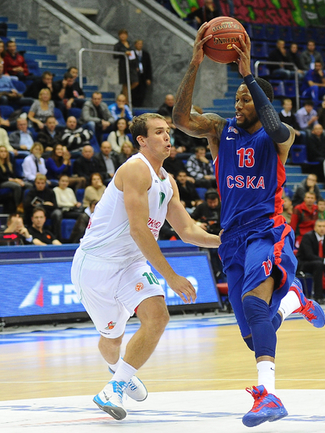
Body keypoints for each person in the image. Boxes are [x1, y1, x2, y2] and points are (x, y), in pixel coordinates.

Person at [173, 24, 325, 426]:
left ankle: (269, 396)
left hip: (266, 230)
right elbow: (180, 119)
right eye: (237, 98)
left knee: (256, 306)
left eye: (245, 99)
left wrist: (248, 76)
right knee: (253, 334)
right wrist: (195, 63)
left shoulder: (280, 136)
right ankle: (293, 300)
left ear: (260, 102)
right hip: (232, 239)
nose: (238, 104)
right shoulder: (219, 130)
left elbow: (275, 127)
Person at [70, 112, 221, 420]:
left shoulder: (168, 181)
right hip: (96, 265)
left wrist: (226, 241)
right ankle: (117, 369)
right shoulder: (135, 169)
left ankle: (115, 385)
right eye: (159, 132)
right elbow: (139, 231)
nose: (167, 137)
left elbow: (187, 231)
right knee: (112, 339)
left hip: (132, 263)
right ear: (142, 140)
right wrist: (171, 276)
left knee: (158, 316)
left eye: (168, 132)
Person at [23, 174, 62, 239]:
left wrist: (41, 205)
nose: (40, 185)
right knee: (37, 209)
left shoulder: (50, 192)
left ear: (45, 183)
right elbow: (27, 205)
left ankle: (56, 237)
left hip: (48, 213)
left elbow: (55, 206)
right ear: (35, 183)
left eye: (42, 183)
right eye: (38, 183)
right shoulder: (31, 192)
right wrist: (45, 204)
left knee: (57, 213)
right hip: (34, 213)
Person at [0, 145, 24, 212]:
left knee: (28, 185)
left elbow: (13, 175)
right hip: (2, 182)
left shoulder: (9, 163)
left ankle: (23, 204)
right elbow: (0, 177)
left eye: (5, 151)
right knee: (17, 186)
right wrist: (14, 180)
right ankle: (17, 205)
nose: (3, 153)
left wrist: (17, 179)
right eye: (1, 151)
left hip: (11, 181)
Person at [113, 29, 138, 98]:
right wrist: (123, 54)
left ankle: (124, 93)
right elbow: (115, 55)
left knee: (135, 82)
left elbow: (134, 55)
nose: (123, 36)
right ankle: (125, 99)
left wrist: (136, 65)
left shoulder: (130, 44)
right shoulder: (117, 45)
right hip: (123, 65)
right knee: (125, 83)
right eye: (121, 35)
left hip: (132, 65)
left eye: (124, 34)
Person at [131, 39, 152, 107]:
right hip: (135, 75)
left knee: (142, 91)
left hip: (143, 75)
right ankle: (133, 104)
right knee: (134, 90)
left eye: (141, 44)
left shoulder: (145, 54)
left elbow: (148, 66)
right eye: (138, 44)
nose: (140, 45)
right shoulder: (132, 53)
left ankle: (140, 104)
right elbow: (131, 63)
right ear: (135, 45)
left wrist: (148, 78)